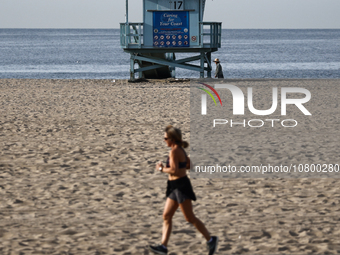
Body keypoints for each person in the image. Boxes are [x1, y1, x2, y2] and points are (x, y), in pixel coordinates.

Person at [149, 125, 218, 255]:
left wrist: (160, 169)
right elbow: (189, 165)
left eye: (165, 138)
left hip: (181, 187)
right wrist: (179, 168)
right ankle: (163, 247)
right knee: (167, 216)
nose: (164, 140)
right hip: (174, 187)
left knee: (190, 218)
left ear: (172, 139)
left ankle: (211, 240)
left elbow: (174, 170)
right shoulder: (180, 150)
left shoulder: (174, 151)